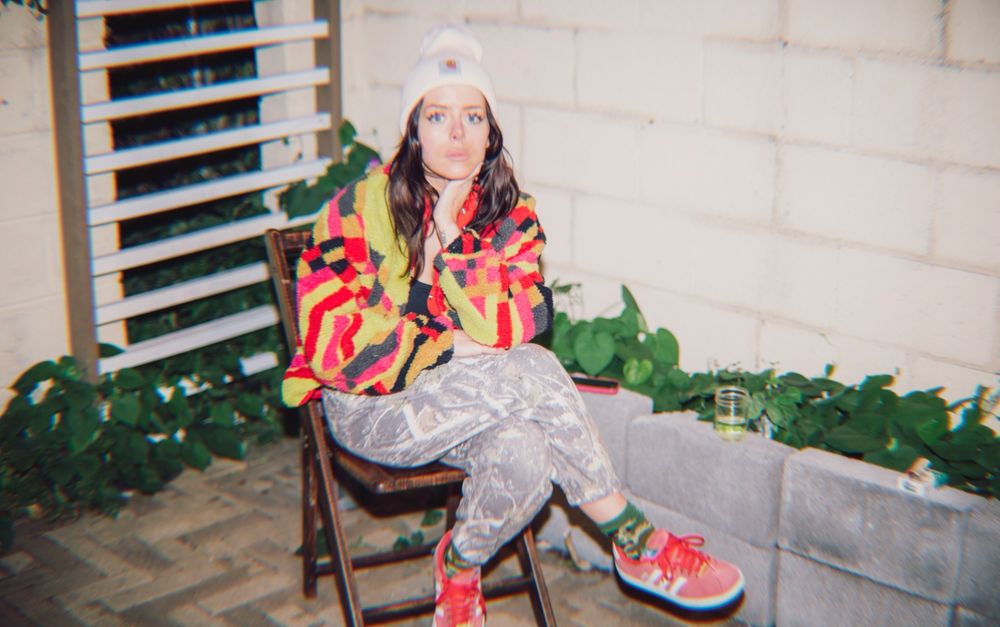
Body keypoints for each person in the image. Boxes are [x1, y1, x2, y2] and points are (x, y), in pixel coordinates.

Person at [282, 24, 745, 627]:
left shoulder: (511, 216)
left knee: (527, 452)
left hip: (466, 403)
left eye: (473, 116)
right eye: (437, 116)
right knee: (533, 369)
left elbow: (516, 324)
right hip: (370, 412)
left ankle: (459, 567)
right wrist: (448, 345)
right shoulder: (356, 212)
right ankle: (634, 538)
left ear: (490, 131)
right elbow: (334, 350)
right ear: (412, 130)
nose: (456, 132)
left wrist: (451, 241)